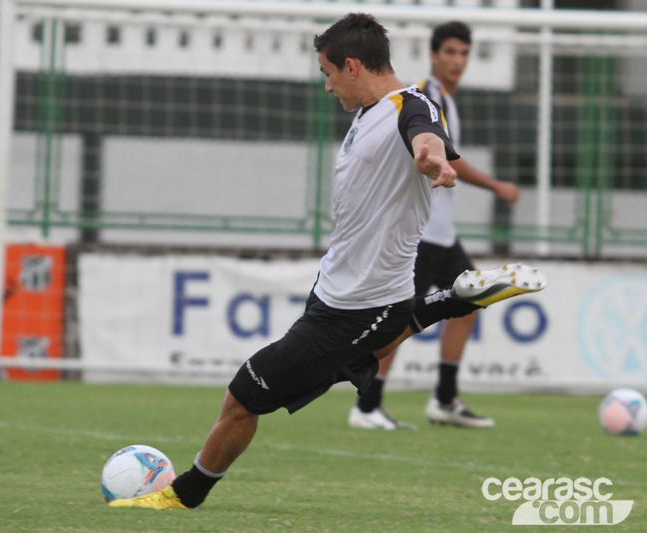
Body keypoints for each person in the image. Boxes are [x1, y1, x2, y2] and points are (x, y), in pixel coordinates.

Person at [108, 13, 545, 510]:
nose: (327, 86)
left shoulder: (413, 106)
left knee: (244, 397)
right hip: (341, 296)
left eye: (328, 72)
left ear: (352, 66)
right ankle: (451, 301)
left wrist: (434, 159)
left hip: (361, 304)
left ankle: (182, 497)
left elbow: (425, 137)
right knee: (350, 360)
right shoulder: (368, 112)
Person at [346, 21, 521, 431]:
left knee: (472, 301)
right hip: (420, 233)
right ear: (434, 55)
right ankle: (367, 406)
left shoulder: (446, 99)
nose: (457, 61)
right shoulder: (426, 98)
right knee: (399, 321)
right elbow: (445, 156)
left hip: (442, 234)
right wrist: (496, 185)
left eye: (464, 53)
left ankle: (444, 399)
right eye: (450, 52)